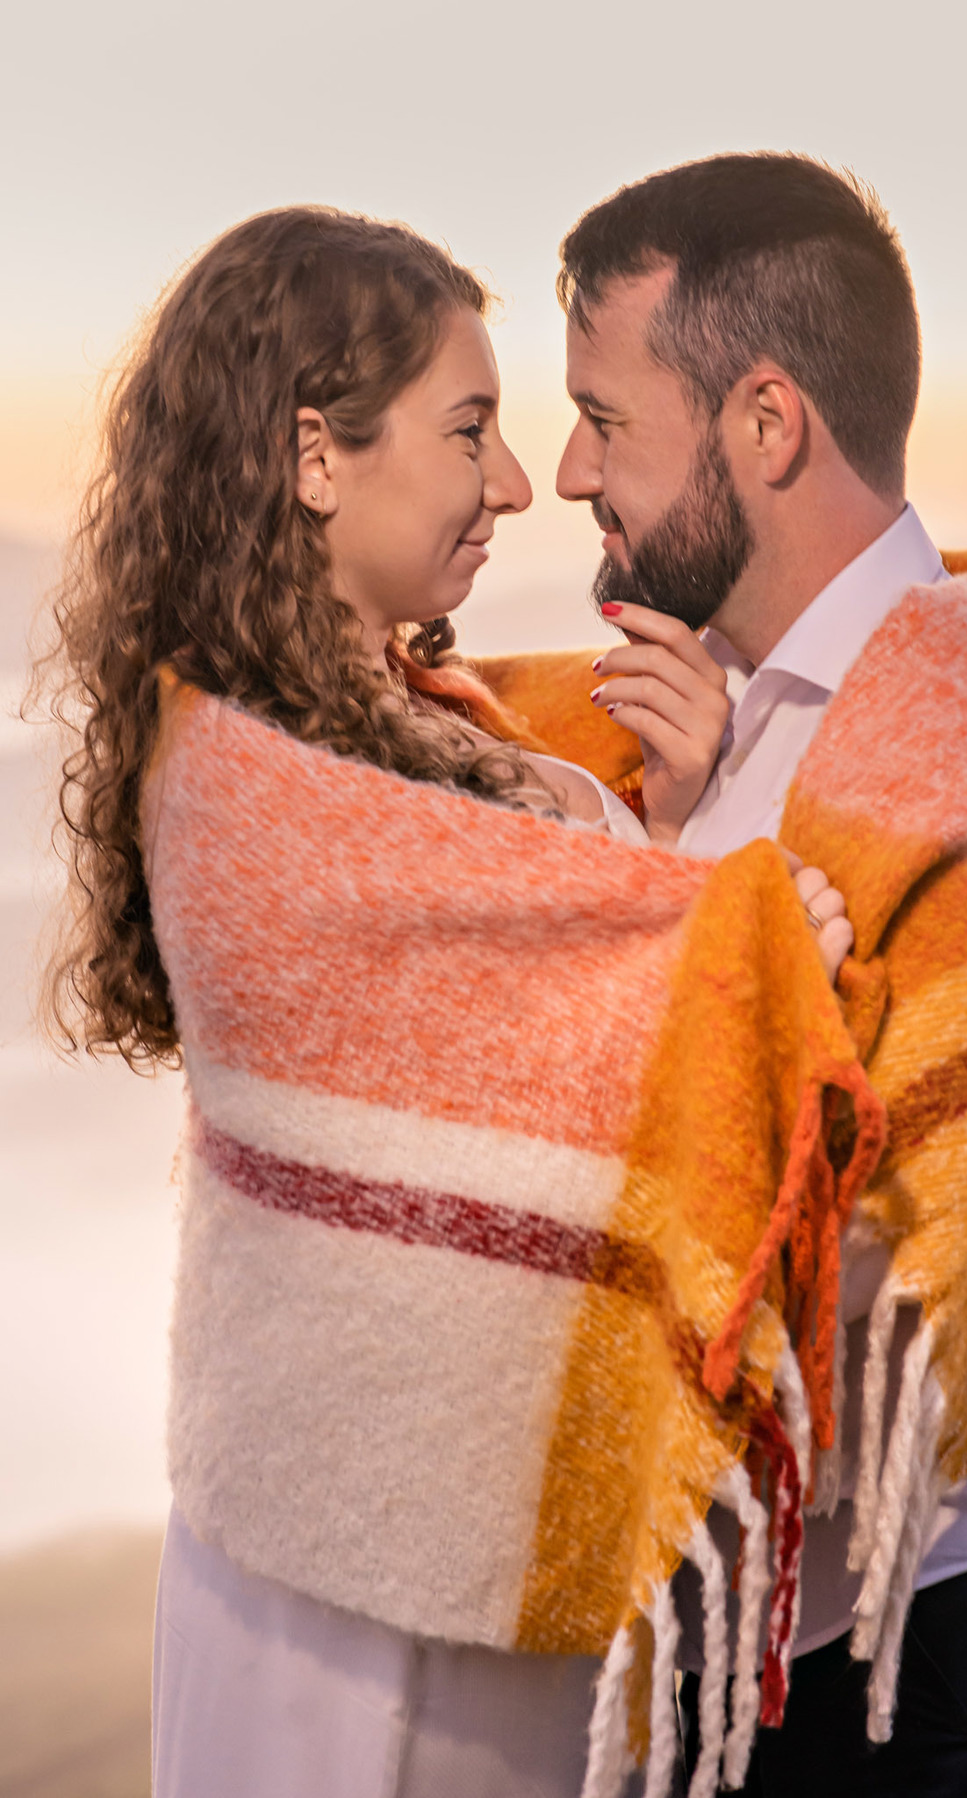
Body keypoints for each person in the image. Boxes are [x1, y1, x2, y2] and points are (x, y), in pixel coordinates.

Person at [41, 204, 854, 1798]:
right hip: (345, 1604)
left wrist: (680, 844)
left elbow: (567, 1002)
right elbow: (585, 1025)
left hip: (496, 1548)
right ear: (312, 454)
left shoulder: (436, 732)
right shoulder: (253, 792)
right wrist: (734, 925)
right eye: (470, 428)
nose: (506, 481)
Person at [534, 152, 967, 1796]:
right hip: (814, 1647)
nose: (564, 472)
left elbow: (853, 1223)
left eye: (606, 419)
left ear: (765, 423)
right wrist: (682, 848)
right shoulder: (741, 738)